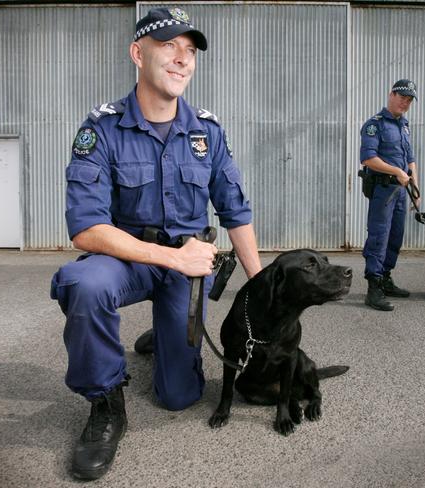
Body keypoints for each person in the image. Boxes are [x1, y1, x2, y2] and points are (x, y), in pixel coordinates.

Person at [50, 7, 262, 480]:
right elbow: (86, 228)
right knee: (83, 283)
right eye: (168, 46)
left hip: (184, 270)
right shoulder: (101, 129)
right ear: (137, 54)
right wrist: (173, 256)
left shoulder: (208, 131)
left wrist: (262, 285)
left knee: (179, 397)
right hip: (127, 258)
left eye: (189, 51)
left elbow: (236, 212)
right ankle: (106, 406)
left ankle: (161, 342)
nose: (181, 59)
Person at [359, 79, 421, 312]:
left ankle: (385, 278)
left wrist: (415, 187)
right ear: (391, 94)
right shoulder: (374, 125)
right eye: (402, 97)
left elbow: (411, 160)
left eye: (409, 100)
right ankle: (373, 288)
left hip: (401, 191)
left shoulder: (404, 126)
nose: (405, 102)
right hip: (384, 190)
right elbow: (368, 159)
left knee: (396, 235)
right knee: (379, 236)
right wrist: (396, 172)